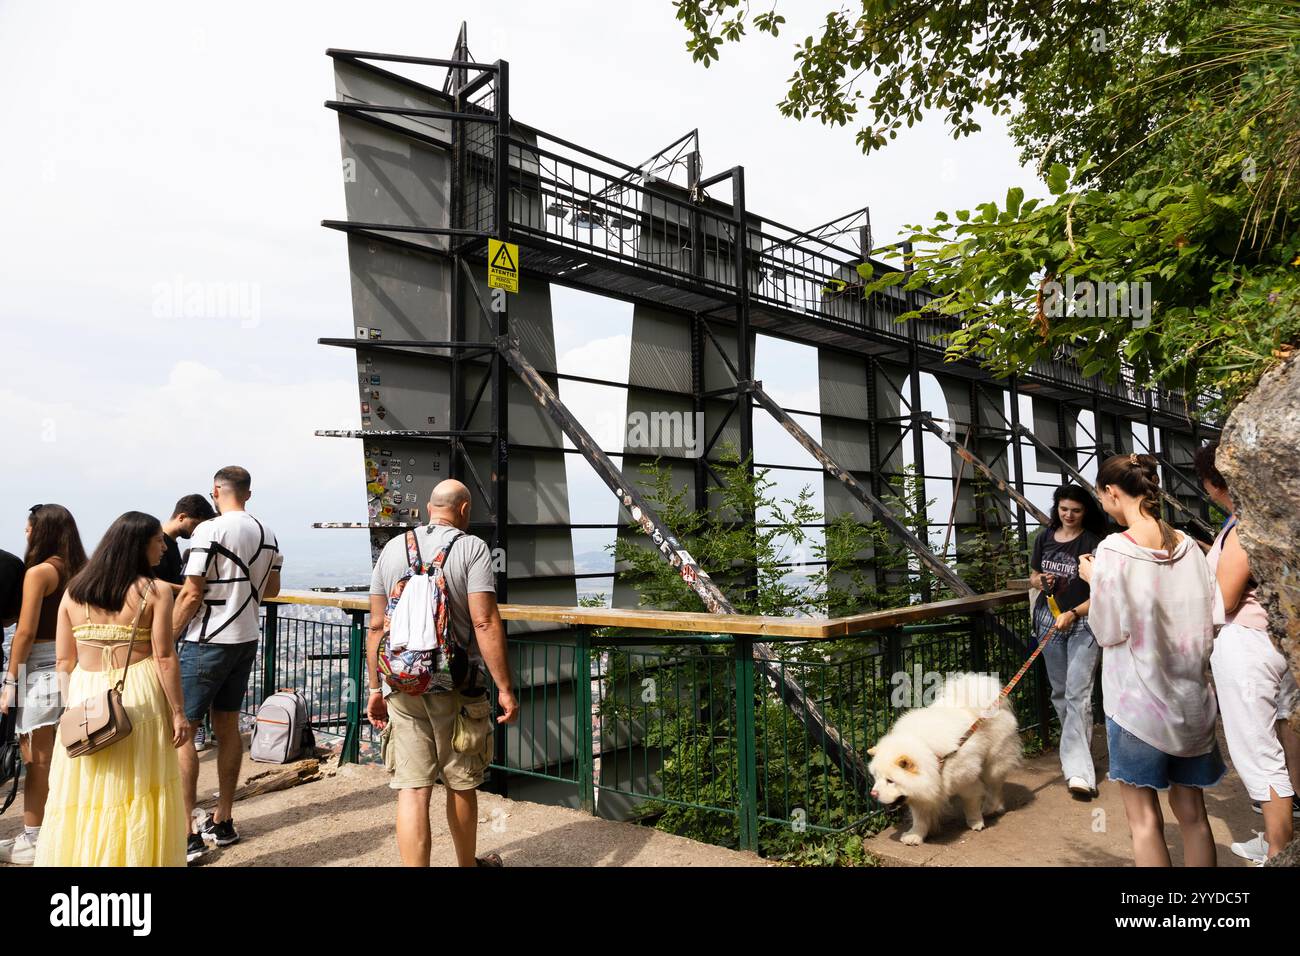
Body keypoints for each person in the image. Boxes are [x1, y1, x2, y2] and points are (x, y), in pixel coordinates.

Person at [1079, 453, 1223, 867]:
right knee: (1194, 816)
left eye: (1100, 496)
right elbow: (1212, 618)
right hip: (1192, 702)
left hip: (1136, 706)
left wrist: (1096, 581)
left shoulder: (1113, 550)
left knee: (1143, 822)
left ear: (1112, 492)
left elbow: (1108, 631)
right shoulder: (1189, 548)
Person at [366, 479, 518, 867]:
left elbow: (377, 626)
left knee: (413, 789)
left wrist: (374, 688)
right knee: (461, 782)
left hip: (401, 682)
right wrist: (504, 687)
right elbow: (483, 622)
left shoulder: (392, 549)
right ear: (464, 509)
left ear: (428, 507)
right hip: (459, 685)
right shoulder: (471, 548)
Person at [34, 512, 189, 867]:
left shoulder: (74, 592)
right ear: (138, 545)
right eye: (157, 541)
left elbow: (63, 661)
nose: (164, 548)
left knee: (88, 786)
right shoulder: (155, 591)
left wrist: (67, 707)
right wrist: (178, 712)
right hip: (137, 690)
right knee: (139, 785)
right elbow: (165, 657)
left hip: (86, 692)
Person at [1194, 443, 1299, 864]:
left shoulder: (1243, 526)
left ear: (1212, 482)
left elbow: (1226, 597)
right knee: (1284, 739)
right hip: (1278, 641)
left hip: (1247, 645)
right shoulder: (1277, 518)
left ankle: (1278, 851)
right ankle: (1284, 842)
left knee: (1257, 752)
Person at [172, 466, 281, 863]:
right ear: (247, 494)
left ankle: (185, 831)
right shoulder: (267, 533)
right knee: (229, 726)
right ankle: (225, 819)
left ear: (216, 491)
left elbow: (191, 592)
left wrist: (166, 636)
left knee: (184, 729)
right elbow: (271, 589)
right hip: (246, 638)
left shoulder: (208, 532)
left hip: (206, 639)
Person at [0, 504, 87, 865]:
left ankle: (36, 839)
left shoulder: (39, 572)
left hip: (39, 669)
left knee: (36, 759)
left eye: (28, 527)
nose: (25, 533)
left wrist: (10, 680)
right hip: (74, 666)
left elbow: (25, 631)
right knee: (62, 757)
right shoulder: (81, 570)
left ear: (42, 530)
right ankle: (52, 830)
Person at [1029, 484, 1107, 798]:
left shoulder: (1094, 543)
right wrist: (1040, 580)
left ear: (1085, 511)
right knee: (1060, 692)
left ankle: (1078, 772)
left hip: (1082, 622)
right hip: (1048, 618)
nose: (1069, 515)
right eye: (1064, 509)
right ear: (1056, 509)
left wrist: (1074, 612)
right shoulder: (1044, 538)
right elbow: (1033, 575)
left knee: (1078, 692)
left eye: (1075, 510)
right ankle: (1078, 755)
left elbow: (1102, 589)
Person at [154, 494, 217, 591]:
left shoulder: (173, 544)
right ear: (181, 517)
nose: (198, 530)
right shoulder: (153, 543)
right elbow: (148, 581)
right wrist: (187, 590)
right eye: (196, 525)